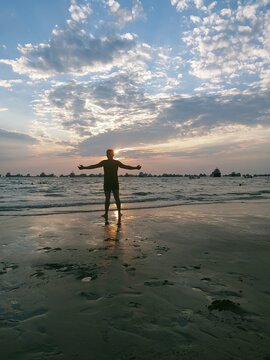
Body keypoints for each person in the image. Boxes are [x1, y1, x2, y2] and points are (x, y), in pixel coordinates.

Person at [78, 149, 141, 223]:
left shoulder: (109, 162)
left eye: (109, 154)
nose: (109, 155)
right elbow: (126, 167)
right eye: (108, 154)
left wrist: (84, 168)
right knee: (114, 198)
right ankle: (115, 213)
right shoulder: (111, 162)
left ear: (109, 155)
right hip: (112, 182)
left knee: (110, 198)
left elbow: (125, 166)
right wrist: (136, 168)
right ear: (110, 155)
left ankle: (109, 213)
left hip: (109, 182)